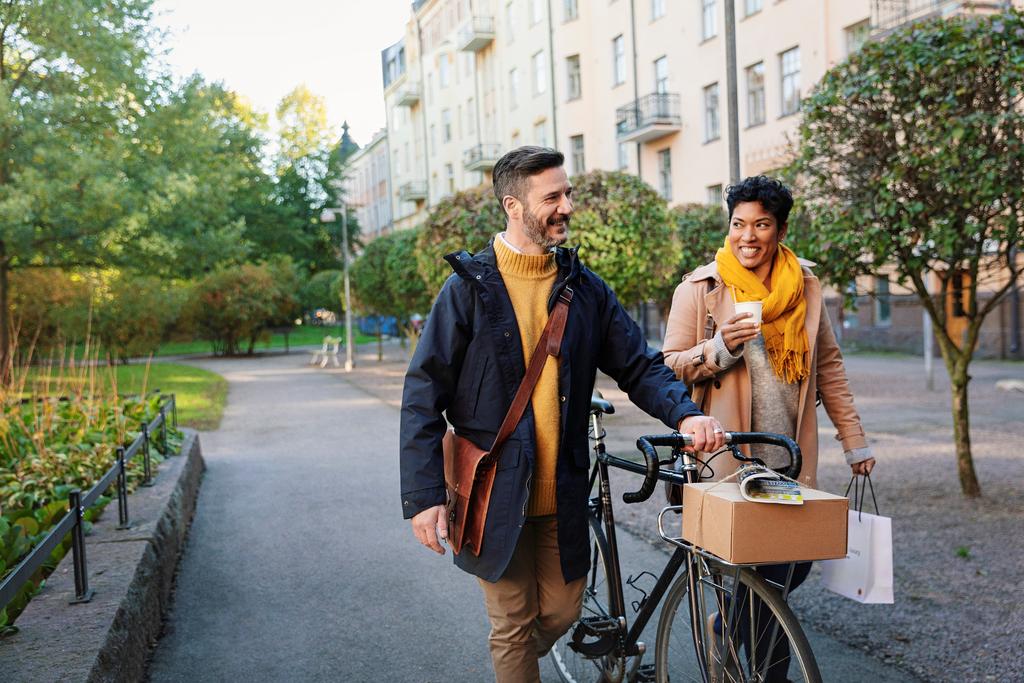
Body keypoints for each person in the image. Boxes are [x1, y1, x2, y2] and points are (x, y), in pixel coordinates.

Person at [400, 146, 725, 682]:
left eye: (566, 193)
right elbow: (422, 395)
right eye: (552, 196)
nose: (566, 205)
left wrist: (685, 416)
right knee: (511, 624)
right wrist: (424, 497)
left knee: (560, 612)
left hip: (563, 491)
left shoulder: (584, 288)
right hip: (492, 491)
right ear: (513, 205)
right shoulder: (467, 290)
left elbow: (640, 366)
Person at [662, 175, 876, 681]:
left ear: (780, 230)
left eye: (761, 224)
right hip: (724, 459)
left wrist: (854, 441)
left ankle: (726, 626)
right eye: (739, 223)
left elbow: (828, 369)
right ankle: (763, 669)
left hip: (786, 457)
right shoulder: (702, 288)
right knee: (762, 582)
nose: (748, 236)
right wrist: (720, 350)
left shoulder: (804, 286)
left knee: (786, 571)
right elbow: (667, 366)